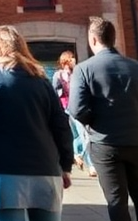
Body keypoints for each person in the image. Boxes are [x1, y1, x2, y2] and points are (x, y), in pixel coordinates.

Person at [68, 17, 138, 221]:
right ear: (112, 39)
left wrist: (95, 124)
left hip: (106, 145)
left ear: (93, 40)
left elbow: (77, 109)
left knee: (116, 202)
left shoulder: (84, 69)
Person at [0, 25, 73, 221]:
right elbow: (60, 125)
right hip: (45, 169)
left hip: (4, 170)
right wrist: (66, 164)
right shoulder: (42, 80)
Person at [51, 51, 93, 179]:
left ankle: (78, 155)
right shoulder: (59, 75)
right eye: (72, 58)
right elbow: (54, 92)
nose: (74, 60)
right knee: (83, 136)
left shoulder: (76, 73)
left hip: (75, 108)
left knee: (79, 135)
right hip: (68, 109)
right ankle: (89, 163)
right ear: (66, 60)